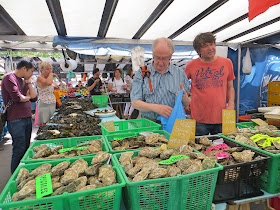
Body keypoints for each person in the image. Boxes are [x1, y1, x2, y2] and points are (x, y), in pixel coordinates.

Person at [184, 32, 235, 136]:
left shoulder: (227, 63)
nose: (210, 48)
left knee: (224, 149)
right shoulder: (191, 66)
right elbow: (182, 86)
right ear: (198, 51)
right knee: (201, 149)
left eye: (211, 44)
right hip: (199, 118)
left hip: (222, 116)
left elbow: (230, 87)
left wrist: (231, 104)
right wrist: (186, 101)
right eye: (205, 46)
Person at [131, 37, 191, 121]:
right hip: (148, 123)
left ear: (171, 55)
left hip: (172, 123)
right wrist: (156, 108)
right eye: (157, 58)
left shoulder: (180, 73)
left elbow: (187, 101)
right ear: (153, 54)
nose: (160, 63)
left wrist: (185, 100)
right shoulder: (142, 73)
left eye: (164, 58)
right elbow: (135, 102)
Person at [1, 58, 37, 173]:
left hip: (26, 118)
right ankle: (15, 176)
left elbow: (34, 97)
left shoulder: (23, 81)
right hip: (16, 120)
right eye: (31, 71)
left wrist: (29, 84)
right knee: (19, 149)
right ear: (24, 68)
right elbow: (17, 98)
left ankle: (23, 172)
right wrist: (26, 97)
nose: (31, 74)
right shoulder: (9, 78)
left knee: (26, 148)